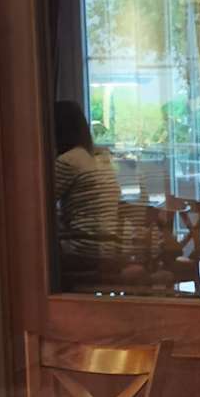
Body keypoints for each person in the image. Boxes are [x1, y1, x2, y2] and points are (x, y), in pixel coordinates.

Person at [53, 99, 120, 283]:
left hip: (82, 249)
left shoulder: (69, 161)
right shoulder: (101, 158)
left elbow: (38, 204)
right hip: (110, 248)